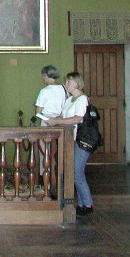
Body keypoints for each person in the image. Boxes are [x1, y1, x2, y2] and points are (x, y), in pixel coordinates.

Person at [47, 71, 93, 216]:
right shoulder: (70, 99)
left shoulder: (82, 99)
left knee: (77, 172)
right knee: (73, 172)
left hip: (81, 140)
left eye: (69, 81)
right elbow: (63, 116)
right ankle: (81, 204)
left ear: (78, 83)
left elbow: (77, 119)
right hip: (70, 139)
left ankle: (87, 204)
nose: (66, 84)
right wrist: (52, 118)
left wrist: (57, 121)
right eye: (66, 81)